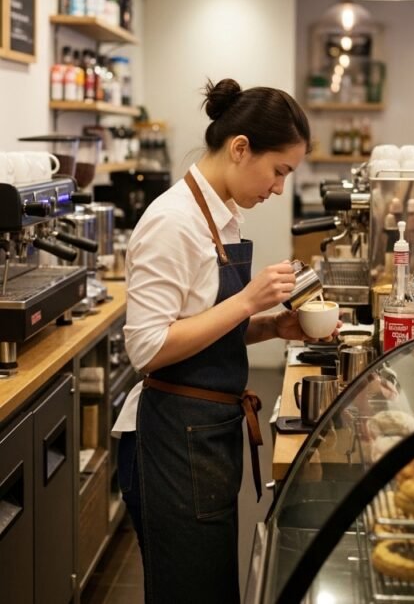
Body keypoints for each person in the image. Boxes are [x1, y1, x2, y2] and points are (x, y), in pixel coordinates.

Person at [111, 78, 325, 604]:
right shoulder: (172, 222)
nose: (279, 188)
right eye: (279, 171)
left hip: (206, 434)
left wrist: (270, 326)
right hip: (171, 439)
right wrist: (249, 301)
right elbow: (148, 347)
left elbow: (201, 325)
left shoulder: (221, 216)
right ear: (240, 148)